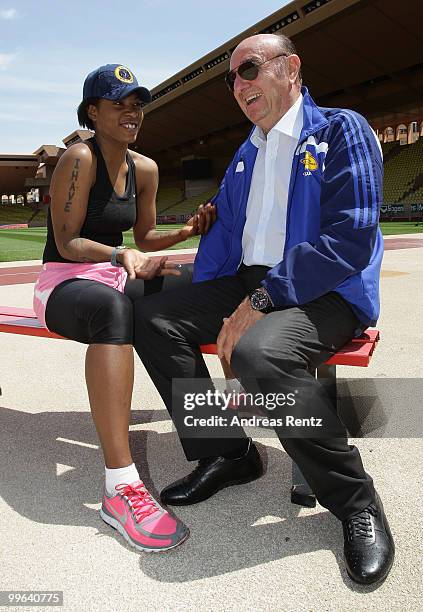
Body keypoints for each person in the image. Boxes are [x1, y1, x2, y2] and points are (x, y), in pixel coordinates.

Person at [132, 35, 395, 583]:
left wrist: (263, 300)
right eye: (232, 79)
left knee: (260, 355)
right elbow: (228, 237)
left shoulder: (340, 130)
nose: (239, 85)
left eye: (248, 69)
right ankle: (228, 454)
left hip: (328, 287)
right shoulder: (248, 152)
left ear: (291, 68)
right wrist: (184, 278)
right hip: (251, 281)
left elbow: (351, 237)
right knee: (154, 318)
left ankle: (355, 502)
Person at [33, 63, 216, 553]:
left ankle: (220, 445)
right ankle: (120, 487)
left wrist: (184, 234)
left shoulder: (147, 168)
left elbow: (145, 237)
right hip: (66, 282)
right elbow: (69, 243)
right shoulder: (79, 157)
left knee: (200, 283)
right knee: (113, 310)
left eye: (137, 103)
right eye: (119, 103)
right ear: (93, 112)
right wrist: (119, 255)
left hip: (116, 273)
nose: (132, 111)